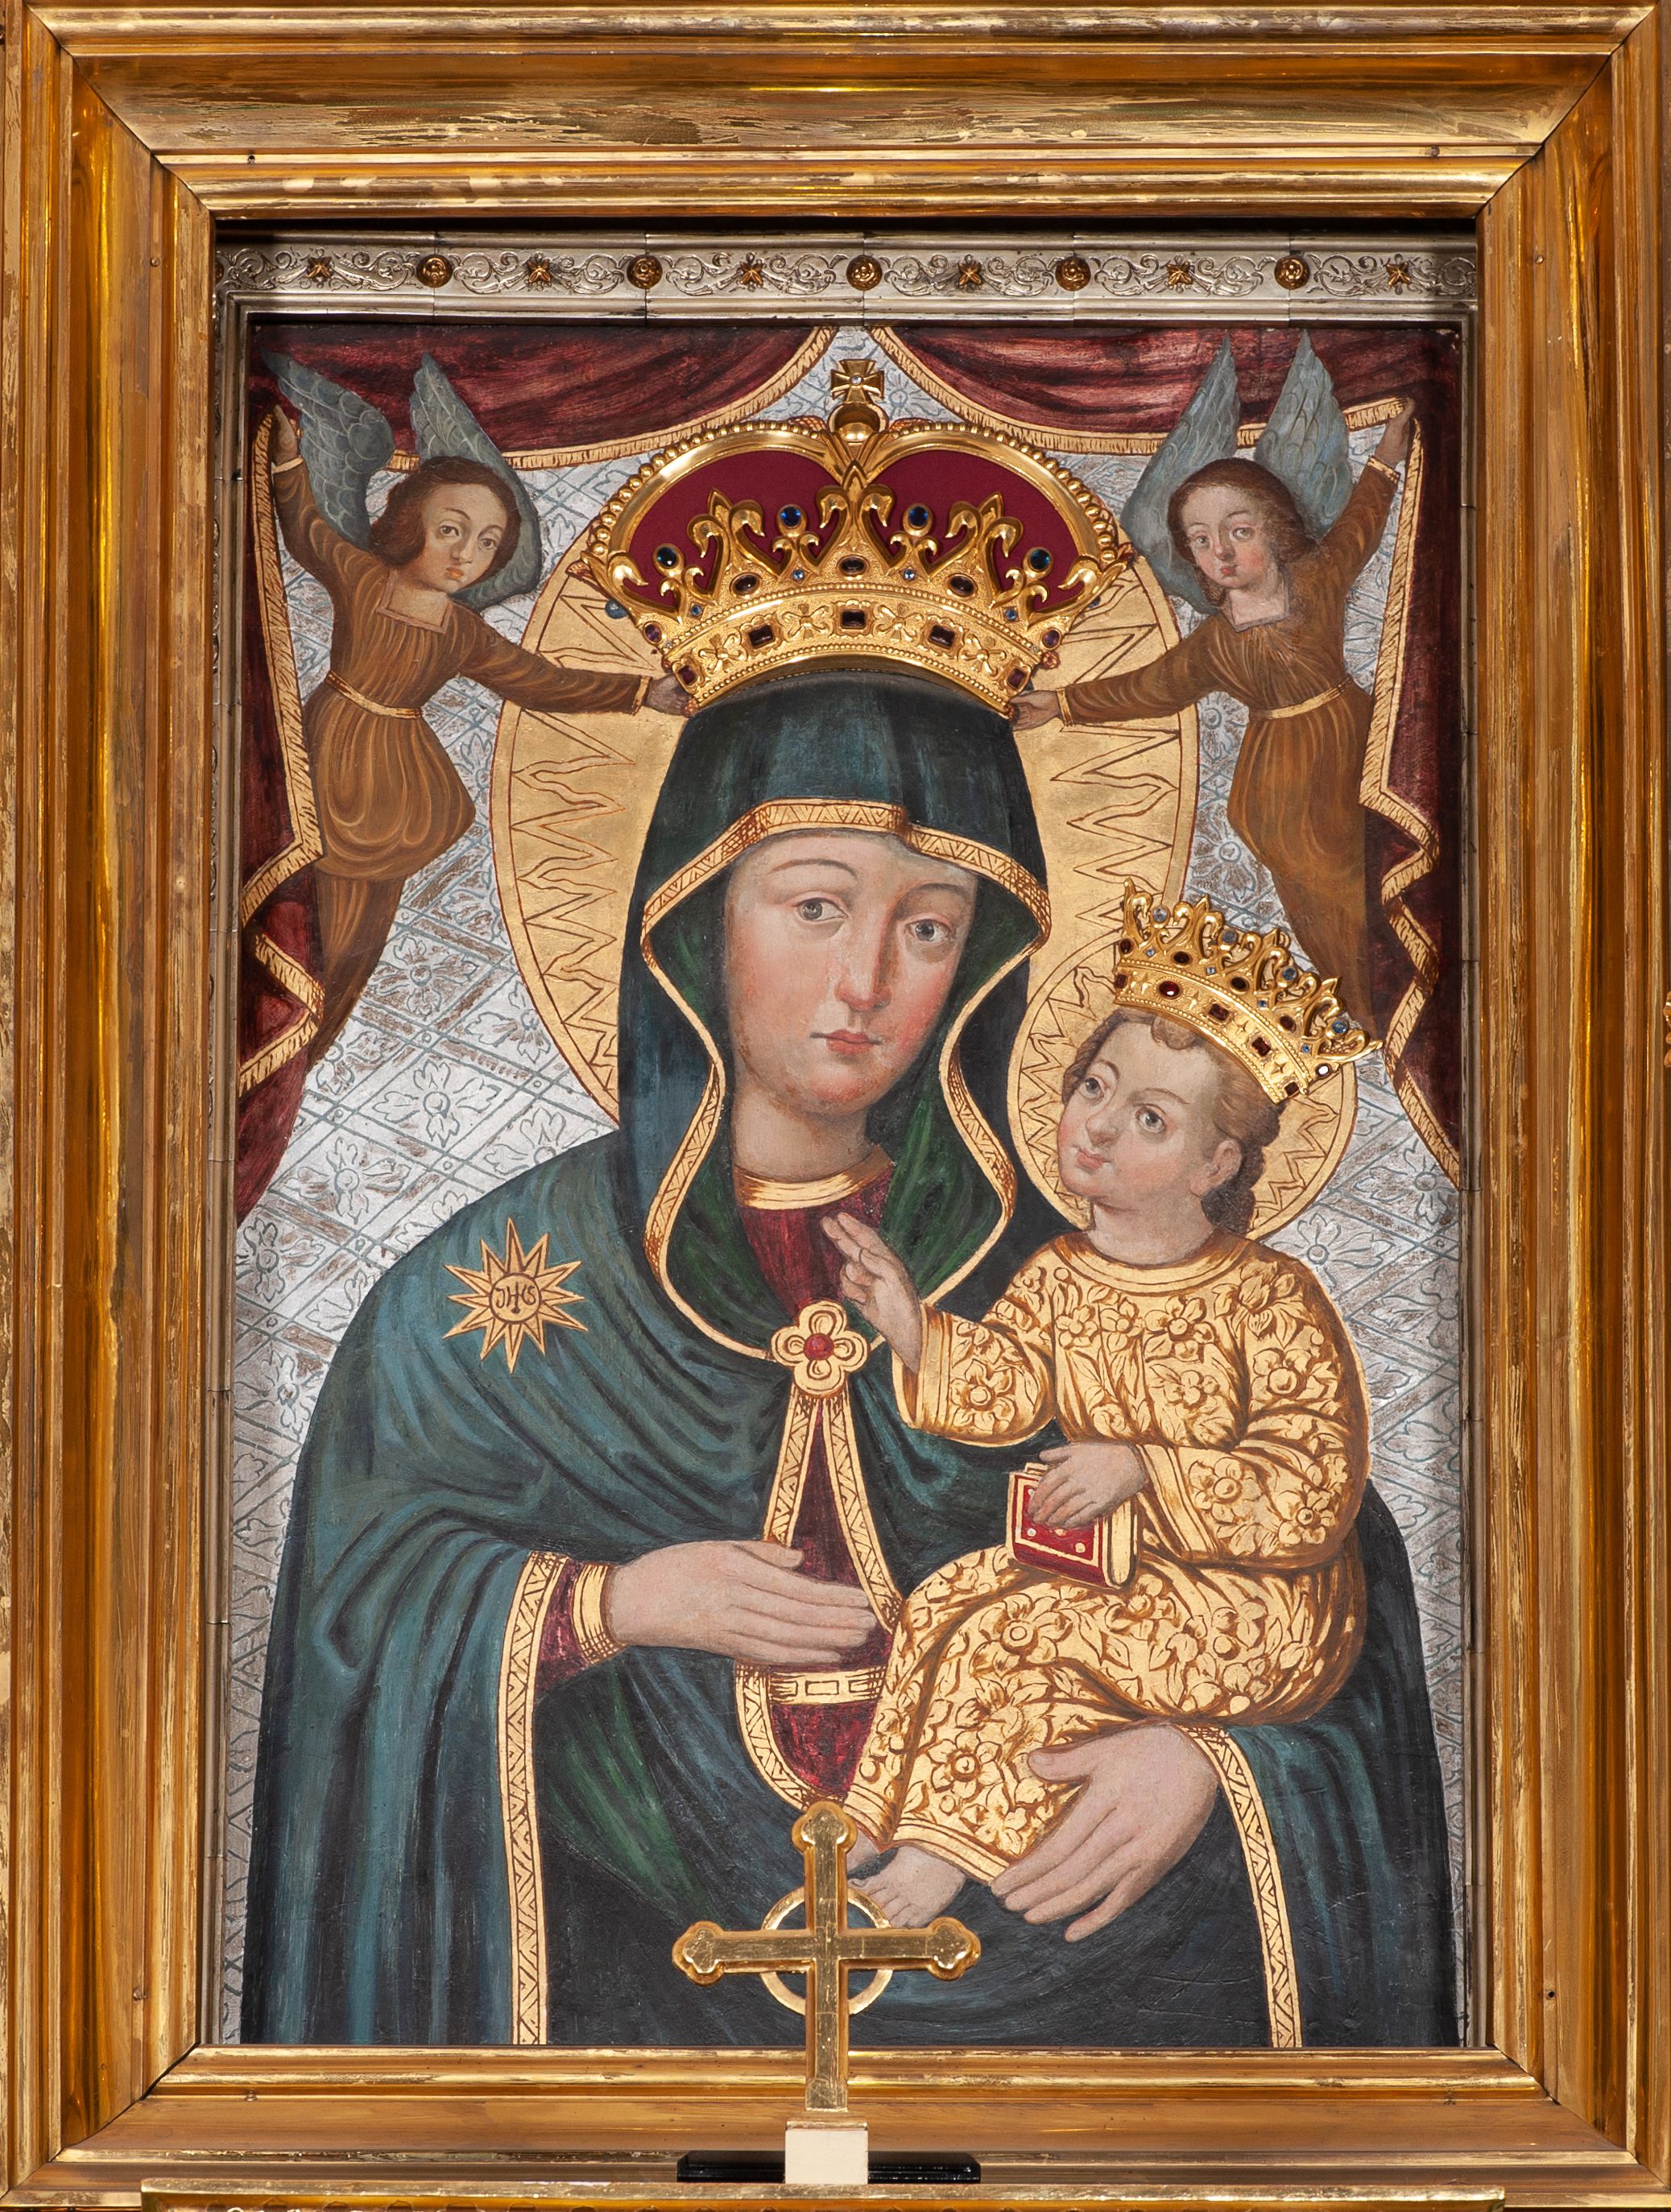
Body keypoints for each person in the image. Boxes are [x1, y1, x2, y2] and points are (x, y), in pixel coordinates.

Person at [241, 666, 1456, 2049]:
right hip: (629, 1989)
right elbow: (356, 1624)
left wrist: (1211, 1763)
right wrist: (616, 1601)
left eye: (927, 926)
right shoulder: (498, 1287)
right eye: (814, 906)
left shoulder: (1084, 1271)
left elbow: (1327, 1603)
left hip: (1078, 1994)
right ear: (696, 916)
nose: (866, 982)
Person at [825, 982, 1370, 1930]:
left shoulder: (1268, 1295)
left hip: (1255, 1604)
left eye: (1149, 1118)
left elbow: (1312, 1492)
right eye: (1093, 1086)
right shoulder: (1060, 1273)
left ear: (1215, 1162)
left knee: (1013, 1634)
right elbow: (1006, 1387)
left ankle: (943, 1853)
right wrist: (910, 1324)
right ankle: (884, 1806)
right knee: (948, 1596)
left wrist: (1144, 1466)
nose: (1100, 1125)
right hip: (1118, 1566)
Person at [266, 406, 686, 1060]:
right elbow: (306, 530)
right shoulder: (363, 578)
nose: (466, 555)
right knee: (297, 917)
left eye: (487, 542)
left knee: (354, 943)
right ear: (410, 523)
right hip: (324, 759)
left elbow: (540, 681)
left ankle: (300, 1055)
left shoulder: (462, 632)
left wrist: (640, 692)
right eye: (451, 531)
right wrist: (289, 462)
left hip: (395, 793)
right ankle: (272, 1032)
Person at [1013, 403, 1416, 1026]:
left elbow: (1360, 524)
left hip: (1352, 747)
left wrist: (1387, 453)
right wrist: (1061, 703)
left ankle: (1402, 988)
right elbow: (1151, 688)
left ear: (1275, 530)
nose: (1220, 552)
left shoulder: (1316, 581)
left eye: (1238, 531)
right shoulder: (1214, 643)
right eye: (1200, 541)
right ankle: (1366, 1007)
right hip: (1281, 792)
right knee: (1323, 902)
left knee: (1378, 876)